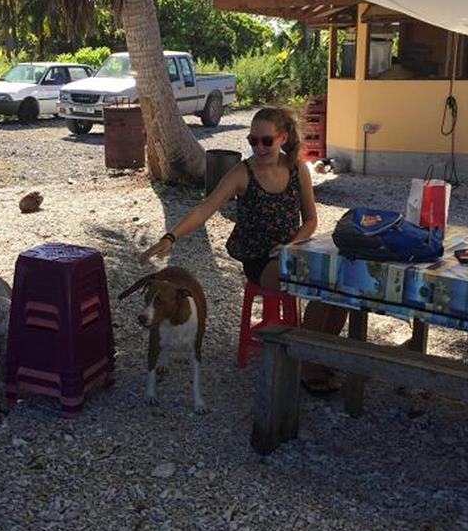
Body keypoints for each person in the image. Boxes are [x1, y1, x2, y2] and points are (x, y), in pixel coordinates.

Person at [139, 107, 348, 393]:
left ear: (282, 138)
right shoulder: (243, 173)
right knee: (312, 285)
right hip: (258, 258)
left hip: (292, 249)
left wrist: (291, 244)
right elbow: (205, 209)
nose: (258, 147)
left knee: (340, 287)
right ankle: (308, 364)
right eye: (253, 141)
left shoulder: (297, 168)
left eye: (266, 141)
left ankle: (323, 354)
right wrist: (171, 237)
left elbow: (311, 220)